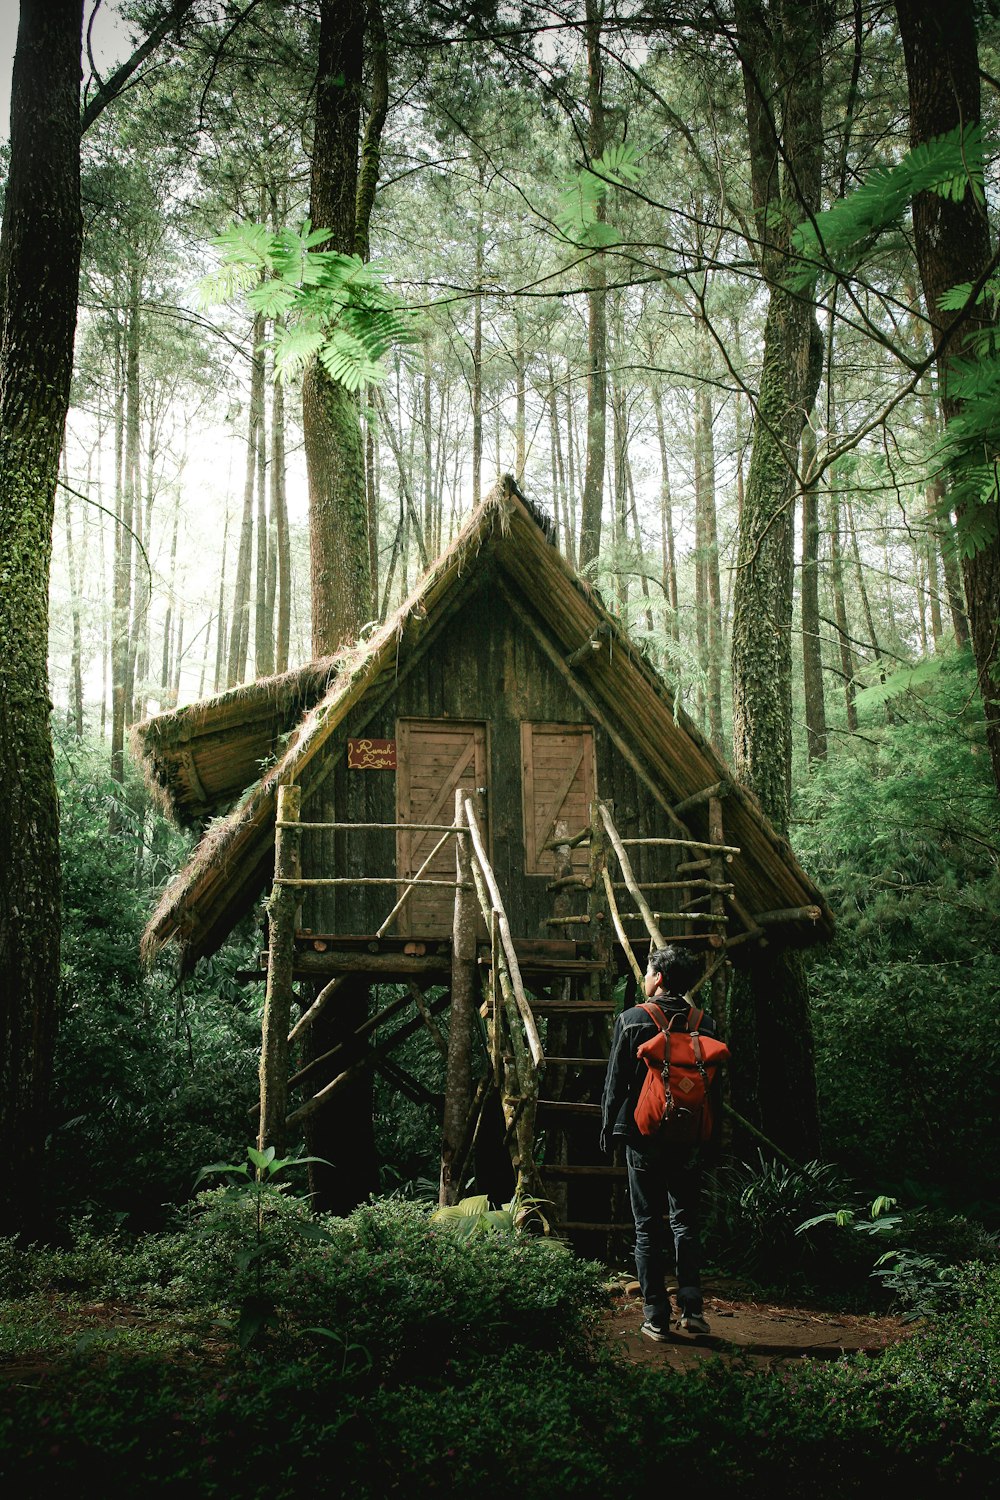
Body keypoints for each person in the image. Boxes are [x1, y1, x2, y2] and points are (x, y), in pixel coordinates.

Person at [600, 944, 720, 1341]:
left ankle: (655, 1316)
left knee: (647, 1226)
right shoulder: (706, 1024)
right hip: (688, 1139)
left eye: (649, 971)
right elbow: (711, 1090)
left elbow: (616, 1081)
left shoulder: (633, 1019)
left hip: (644, 1137)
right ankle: (693, 1310)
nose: (646, 977)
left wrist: (608, 1126)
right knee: (685, 1222)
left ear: (660, 979)